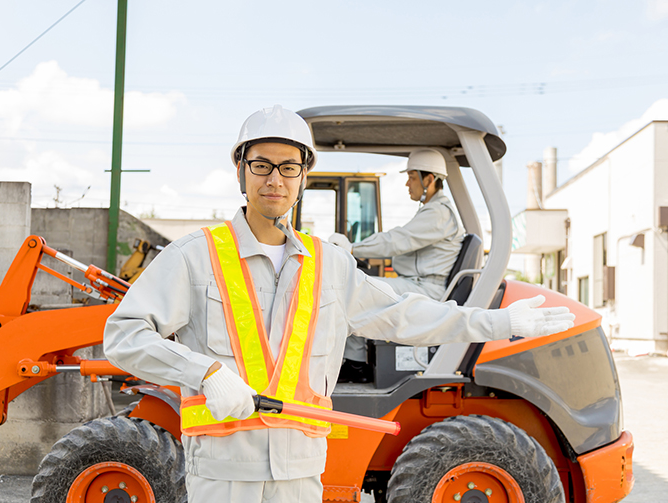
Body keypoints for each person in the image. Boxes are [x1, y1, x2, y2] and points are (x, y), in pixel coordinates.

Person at [103, 105, 575, 503]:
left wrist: (498, 321)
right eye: (262, 165)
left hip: (300, 472)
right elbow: (124, 337)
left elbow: (401, 316)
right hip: (224, 475)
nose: (275, 178)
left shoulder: (327, 264)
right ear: (241, 170)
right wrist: (203, 373)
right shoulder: (193, 256)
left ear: (304, 175)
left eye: (290, 166)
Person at [328, 148, 464, 382]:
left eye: (412, 177)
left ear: (429, 179)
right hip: (417, 283)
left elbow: (397, 240)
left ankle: (356, 365)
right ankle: (355, 360)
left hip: (427, 288)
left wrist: (352, 248)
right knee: (362, 286)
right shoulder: (432, 210)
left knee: (354, 291)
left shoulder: (438, 213)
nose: (407, 184)